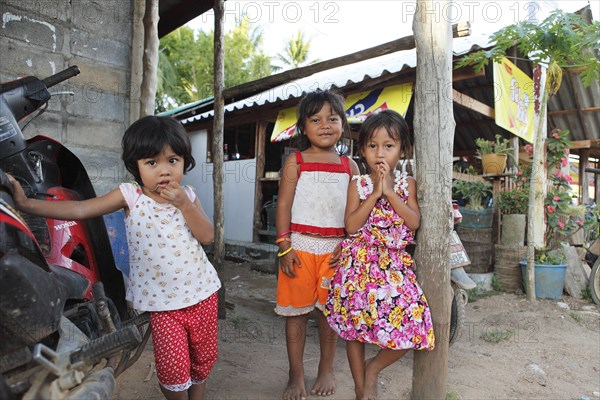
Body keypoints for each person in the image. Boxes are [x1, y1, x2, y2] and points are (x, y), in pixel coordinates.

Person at [8, 116, 220, 400]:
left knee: (201, 362)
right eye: (152, 163)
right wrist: (26, 205)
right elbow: (81, 209)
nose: (164, 171)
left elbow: (207, 236)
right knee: (173, 369)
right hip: (163, 305)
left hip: (203, 294)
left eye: (173, 160)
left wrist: (183, 204)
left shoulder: (189, 196)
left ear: (184, 162)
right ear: (136, 166)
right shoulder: (130, 196)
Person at [325, 110, 434, 400]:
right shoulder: (357, 185)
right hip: (357, 267)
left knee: (414, 323)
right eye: (372, 146)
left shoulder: (406, 184)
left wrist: (389, 193)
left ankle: (372, 370)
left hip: (393, 267)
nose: (380, 153)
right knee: (354, 330)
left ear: (402, 149)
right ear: (362, 150)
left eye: (389, 145)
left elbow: (413, 222)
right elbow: (350, 225)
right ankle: (362, 392)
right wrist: (373, 194)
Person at [275, 90, 359, 400]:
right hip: (298, 247)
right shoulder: (294, 161)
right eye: (316, 119)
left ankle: (326, 368)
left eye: (332, 118)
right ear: (303, 126)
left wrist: (349, 244)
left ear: (342, 123)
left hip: (336, 251)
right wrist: (284, 246)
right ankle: (295, 373)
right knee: (295, 315)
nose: (325, 125)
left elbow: (354, 213)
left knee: (329, 315)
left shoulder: (350, 166)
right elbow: (283, 206)